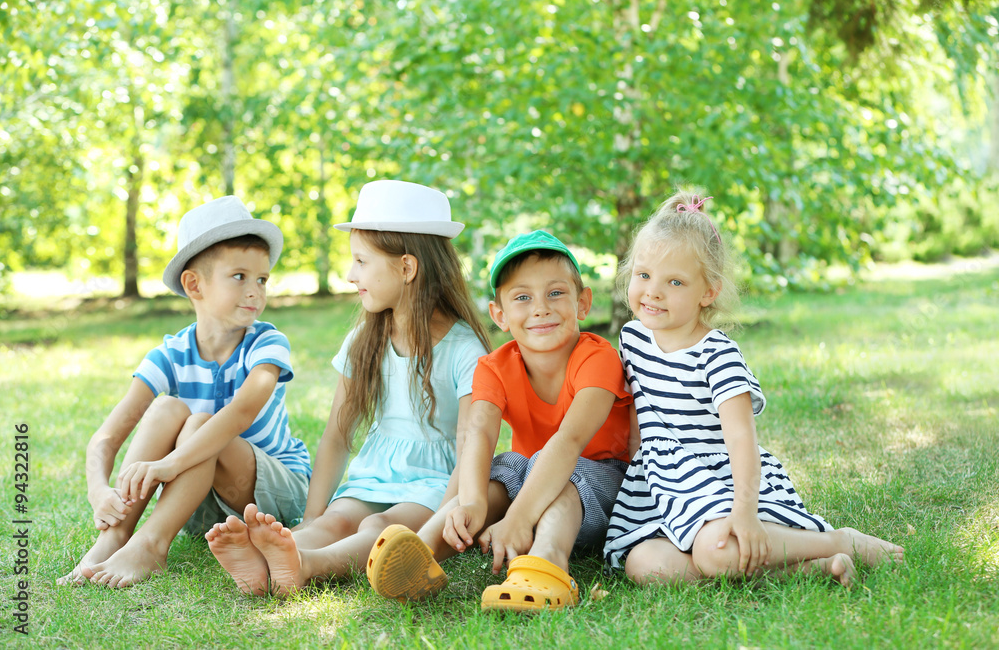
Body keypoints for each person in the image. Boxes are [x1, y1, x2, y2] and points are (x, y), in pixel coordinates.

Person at [602, 190, 904, 587]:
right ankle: (807, 570)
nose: (653, 291)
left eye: (674, 281)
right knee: (645, 565)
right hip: (662, 489)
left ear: (708, 291)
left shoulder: (717, 353)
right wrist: (632, 465)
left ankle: (837, 540)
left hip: (720, 481)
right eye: (643, 275)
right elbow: (638, 415)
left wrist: (743, 512)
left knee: (716, 550)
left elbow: (741, 438)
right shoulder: (633, 339)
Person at [205, 180, 492, 596]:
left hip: (436, 482)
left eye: (361, 261)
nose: (350, 274)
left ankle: (305, 565)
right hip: (375, 473)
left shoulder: (465, 349)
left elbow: (469, 445)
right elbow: (337, 436)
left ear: (407, 268)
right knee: (335, 521)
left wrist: (440, 524)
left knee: (380, 526)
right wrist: (311, 517)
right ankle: (271, 559)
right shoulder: (364, 340)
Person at [365, 230, 633, 612]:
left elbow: (570, 441)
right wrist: (472, 502)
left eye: (556, 293)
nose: (540, 308)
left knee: (561, 471)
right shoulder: (494, 367)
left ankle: (548, 563)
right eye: (523, 297)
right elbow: (478, 433)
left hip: (605, 486)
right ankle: (422, 552)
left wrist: (519, 518)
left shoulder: (598, 357)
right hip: (533, 482)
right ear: (500, 315)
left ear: (583, 302)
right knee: (502, 467)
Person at [57, 196, 311, 588]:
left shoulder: (267, 343)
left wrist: (170, 464)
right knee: (165, 409)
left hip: (273, 494)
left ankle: (152, 545)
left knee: (201, 423)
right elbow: (106, 437)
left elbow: (241, 414)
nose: (255, 291)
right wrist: (98, 490)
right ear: (194, 284)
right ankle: (115, 536)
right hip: (200, 501)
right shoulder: (171, 354)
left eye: (262, 279)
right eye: (239, 276)